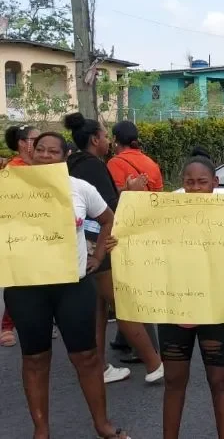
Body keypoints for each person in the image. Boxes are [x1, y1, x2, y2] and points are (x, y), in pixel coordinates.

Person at [1, 133, 130, 439]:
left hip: (73, 284)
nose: (45, 155)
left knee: (86, 357)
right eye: (40, 149)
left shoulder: (79, 188)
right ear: (31, 152)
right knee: (34, 358)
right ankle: (41, 430)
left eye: (52, 151)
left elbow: (109, 219)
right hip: (26, 285)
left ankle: (103, 425)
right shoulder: (9, 188)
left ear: (65, 155)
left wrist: (98, 255)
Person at [144, 149, 224, 439]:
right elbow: (140, 241)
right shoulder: (166, 213)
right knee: (174, 380)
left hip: (214, 306)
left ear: (215, 182)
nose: (196, 188)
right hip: (175, 305)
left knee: (219, 377)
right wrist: (118, 242)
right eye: (190, 182)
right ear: (182, 182)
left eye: (202, 182)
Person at [64, 113, 165, 385]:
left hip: (81, 242)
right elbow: (108, 210)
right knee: (123, 303)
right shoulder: (94, 166)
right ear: (95, 139)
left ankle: (100, 365)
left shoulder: (72, 163)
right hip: (99, 243)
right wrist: (129, 192)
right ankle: (154, 363)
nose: (108, 141)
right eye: (105, 136)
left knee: (97, 307)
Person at [104, 120, 163, 366]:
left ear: (116, 139)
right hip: (150, 229)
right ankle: (123, 338)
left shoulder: (114, 164)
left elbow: (116, 202)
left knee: (131, 288)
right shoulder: (151, 162)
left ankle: (146, 349)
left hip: (127, 231)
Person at [1, 124, 40, 348]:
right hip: (18, 234)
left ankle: (38, 320)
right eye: (35, 139)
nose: (40, 144)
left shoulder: (43, 167)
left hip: (42, 235)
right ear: (22, 143)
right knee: (17, 281)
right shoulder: (13, 169)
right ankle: (7, 326)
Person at [106, 120, 164, 192]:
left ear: (114, 139)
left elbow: (112, 197)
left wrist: (128, 189)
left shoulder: (114, 163)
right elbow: (159, 196)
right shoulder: (153, 164)